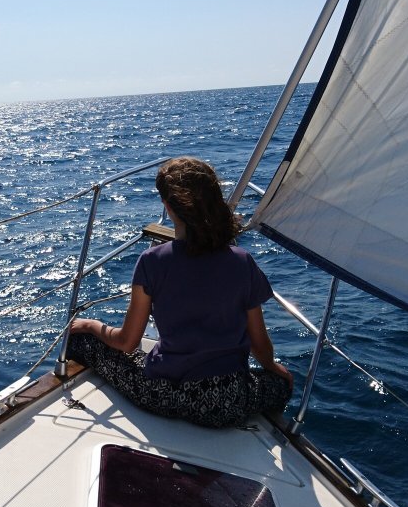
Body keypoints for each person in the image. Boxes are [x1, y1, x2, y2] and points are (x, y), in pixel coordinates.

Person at [67, 157, 293, 428]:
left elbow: (127, 342)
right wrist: (273, 369)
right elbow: (260, 345)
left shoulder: (152, 262)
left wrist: (91, 325)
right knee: (281, 383)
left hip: (165, 395)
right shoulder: (242, 262)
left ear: (168, 206)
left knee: (81, 341)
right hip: (229, 401)